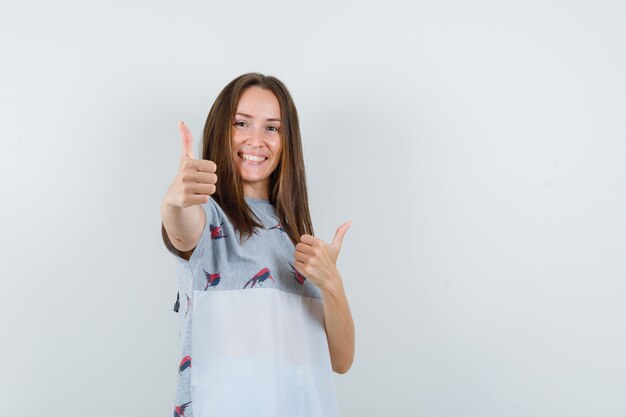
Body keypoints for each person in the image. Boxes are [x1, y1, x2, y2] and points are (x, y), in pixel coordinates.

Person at [160, 72, 355, 417]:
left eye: (272, 128)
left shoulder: (298, 240)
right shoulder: (209, 217)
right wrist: (176, 202)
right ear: (222, 129)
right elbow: (182, 229)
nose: (256, 139)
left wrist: (333, 285)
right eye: (242, 123)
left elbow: (339, 360)